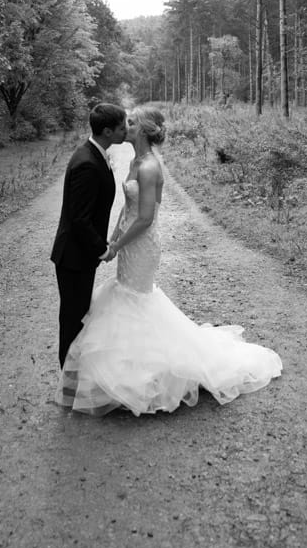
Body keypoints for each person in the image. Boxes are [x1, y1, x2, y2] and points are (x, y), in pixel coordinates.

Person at [56, 106, 282, 416]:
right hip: (126, 243)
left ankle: (146, 375)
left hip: (142, 245)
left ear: (144, 131)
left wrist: (116, 244)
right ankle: (118, 374)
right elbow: (127, 208)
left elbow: (146, 218)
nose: (126, 125)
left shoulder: (149, 167)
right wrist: (111, 239)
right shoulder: (134, 161)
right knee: (124, 301)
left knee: (136, 300)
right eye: (125, 122)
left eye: (131, 122)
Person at [51, 102, 127, 367]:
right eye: (121, 127)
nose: (125, 131)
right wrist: (102, 248)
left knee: (78, 315)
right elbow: (79, 219)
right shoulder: (86, 163)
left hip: (80, 256)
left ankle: (74, 379)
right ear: (107, 131)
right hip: (73, 256)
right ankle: (68, 380)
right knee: (73, 319)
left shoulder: (94, 153)